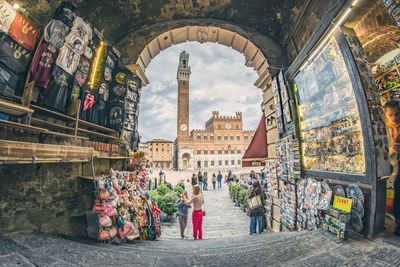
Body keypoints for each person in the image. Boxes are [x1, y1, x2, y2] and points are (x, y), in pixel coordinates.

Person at [384, 100, 400, 236]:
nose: (394, 117)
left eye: (396, 114)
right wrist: (391, 150)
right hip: (394, 168)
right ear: (386, 115)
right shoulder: (384, 130)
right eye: (391, 115)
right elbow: (383, 153)